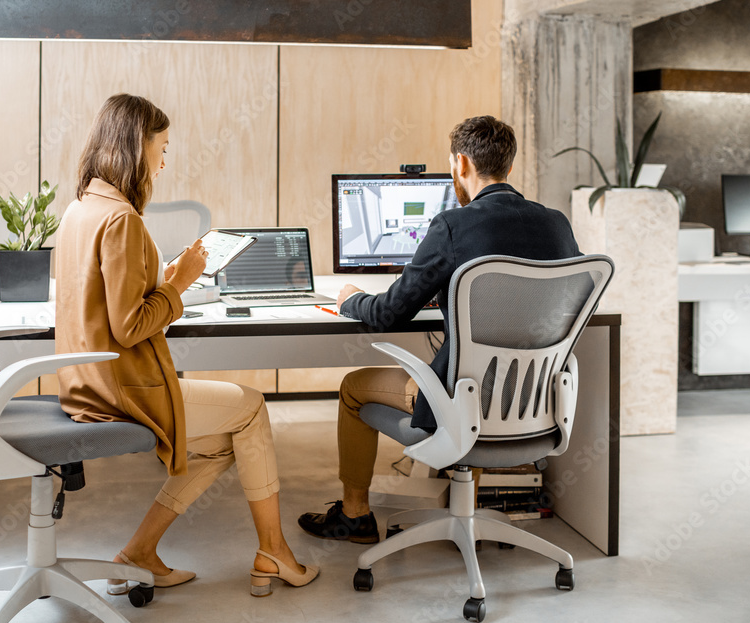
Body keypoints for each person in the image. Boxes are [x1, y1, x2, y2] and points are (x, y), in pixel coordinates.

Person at [55, 93, 317, 597]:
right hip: (124, 391)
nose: (164, 159)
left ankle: (140, 553)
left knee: (221, 444)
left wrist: (167, 281)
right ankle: (274, 552)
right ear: (137, 147)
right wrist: (179, 286)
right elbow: (131, 327)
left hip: (86, 385)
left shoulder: (81, 208)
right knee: (252, 409)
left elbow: (110, 309)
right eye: (163, 146)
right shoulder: (121, 220)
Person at [297, 115, 581, 544]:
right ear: (508, 163)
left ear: (461, 164)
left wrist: (348, 299)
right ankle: (467, 507)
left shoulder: (454, 226)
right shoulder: (558, 224)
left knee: (354, 386)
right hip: (534, 405)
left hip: (464, 401)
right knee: (476, 376)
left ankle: (354, 516)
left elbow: (388, 313)